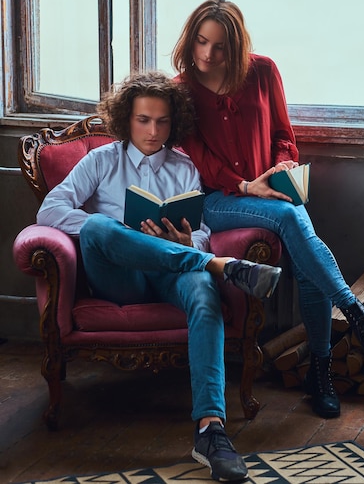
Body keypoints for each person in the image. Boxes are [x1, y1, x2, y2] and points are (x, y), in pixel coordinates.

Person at [36, 71, 284, 483]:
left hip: (174, 272)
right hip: (120, 279)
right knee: (98, 227)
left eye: (162, 121)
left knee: (203, 288)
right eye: (143, 120)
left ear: (175, 122)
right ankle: (220, 267)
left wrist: (191, 242)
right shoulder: (100, 160)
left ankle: (211, 430)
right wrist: (122, 234)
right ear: (125, 119)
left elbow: (202, 232)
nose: (153, 131)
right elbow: (50, 211)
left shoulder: (184, 166)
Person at [172, 0, 364, 420]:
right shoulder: (181, 88)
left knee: (306, 260)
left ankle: (320, 374)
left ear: (236, 48)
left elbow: (282, 132)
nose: (207, 54)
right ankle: (357, 314)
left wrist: (283, 162)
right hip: (220, 200)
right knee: (295, 219)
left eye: (219, 46)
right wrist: (243, 184)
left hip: (273, 191)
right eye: (201, 42)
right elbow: (196, 155)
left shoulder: (262, 71)